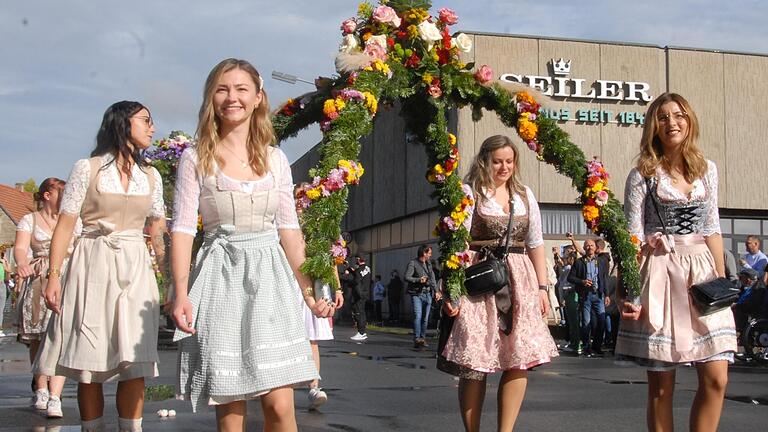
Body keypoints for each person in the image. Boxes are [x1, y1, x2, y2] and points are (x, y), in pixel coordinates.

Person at [170, 58, 334, 431]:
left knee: (280, 404)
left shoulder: (275, 159)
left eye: (241, 89)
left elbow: (289, 230)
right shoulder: (195, 158)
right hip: (220, 277)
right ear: (211, 97)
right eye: (223, 89)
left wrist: (308, 292)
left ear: (258, 97)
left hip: (270, 281)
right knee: (230, 403)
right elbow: (181, 229)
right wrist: (180, 293)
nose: (232, 98)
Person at [35, 101, 167, 432]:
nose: (152, 128)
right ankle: (91, 428)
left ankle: (131, 428)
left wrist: (169, 277)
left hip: (135, 265)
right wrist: (53, 277)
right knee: (88, 360)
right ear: (123, 123)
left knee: (135, 360)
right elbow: (65, 225)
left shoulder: (150, 176)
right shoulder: (88, 168)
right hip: (92, 263)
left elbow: (159, 230)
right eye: (146, 121)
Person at [616, 93, 736, 432]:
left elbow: (712, 226)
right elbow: (632, 236)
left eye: (679, 115)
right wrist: (628, 289)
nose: (672, 123)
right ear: (654, 126)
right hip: (660, 271)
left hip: (701, 270)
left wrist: (721, 281)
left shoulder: (706, 169)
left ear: (690, 120)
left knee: (717, 378)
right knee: (662, 387)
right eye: (664, 117)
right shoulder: (642, 173)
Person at [438, 135, 558, 431]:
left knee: (518, 359)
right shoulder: (470, 193)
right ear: (484, 161)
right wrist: (451, 288)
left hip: (521, 281)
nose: (504, 167)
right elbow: (455, 244)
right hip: (481, 281)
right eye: (497, 161)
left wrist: (543, 289)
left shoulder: (524, 195)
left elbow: (536, 243)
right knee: (476, 364)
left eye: (509, 161)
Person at [14, 178, 81, 418]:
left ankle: (55, 396)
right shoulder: (29, 220)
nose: (65, 194)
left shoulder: (74, 220)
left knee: (61, 337)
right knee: (38, 338)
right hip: (39, 277)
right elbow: (21, 248)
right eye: (60, 191)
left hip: (68, 277)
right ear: (46, 195)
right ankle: (41, 387)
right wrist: (22, 264)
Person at [293, 184, 344, 411]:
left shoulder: (319, 225)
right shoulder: (285, 223)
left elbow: (331, 258)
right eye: (297, 197)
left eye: (304, 197)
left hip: (312, 285)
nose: (300, 202)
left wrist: (338, 288)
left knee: (311, 338)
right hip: (287, 283)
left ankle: (314, 387)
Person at [568, 239, 609, 357]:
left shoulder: (601, 261)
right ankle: (587, 346)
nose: (590, 247)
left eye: (592, 245)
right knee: (586, 322)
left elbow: (604, 278)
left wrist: (606, 294)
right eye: (587, 246)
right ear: (584, 248)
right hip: (586, 296)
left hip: (598, 295)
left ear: (596, 248)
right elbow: (570, 278)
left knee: (601, 321)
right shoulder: (579, 262)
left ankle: (597, 346)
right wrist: (582, 282)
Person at [405, 245, 436, 348]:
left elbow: (432, 279)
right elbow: (407, 277)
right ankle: (417, 338)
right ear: (424, 253)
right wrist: (418, 280)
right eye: (429, 253)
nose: (430, 255)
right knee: (418, 316)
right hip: (417, 294)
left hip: (427, 294)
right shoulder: (413, 263)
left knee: (425, 318)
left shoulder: (429, 264)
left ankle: (423, 338)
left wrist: (436, 291)